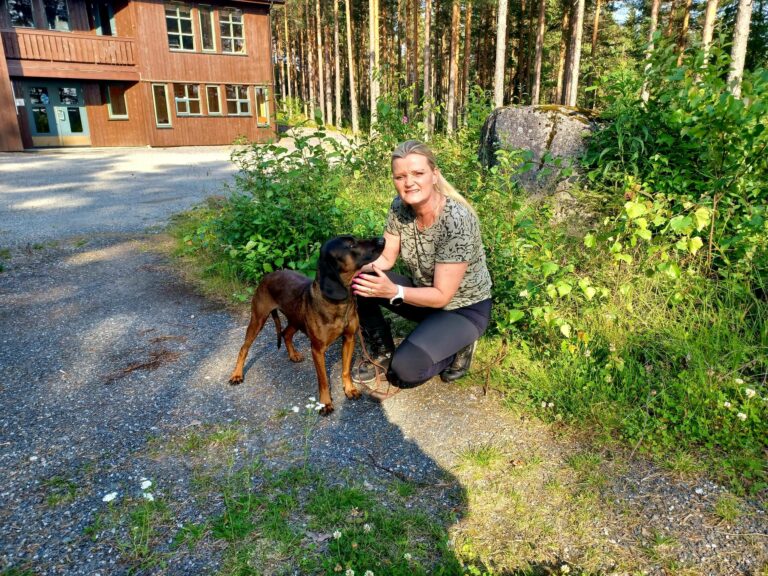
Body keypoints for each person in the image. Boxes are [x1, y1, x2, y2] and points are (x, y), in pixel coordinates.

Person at [351, 139, 493, 390]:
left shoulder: (456, 220)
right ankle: (381, 351)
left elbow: (442, 296)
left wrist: (394, 291)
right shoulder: (399, 207)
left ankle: (460, 345)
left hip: (463, 308)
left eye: (418, 173)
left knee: (404, 372)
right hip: (424, 295)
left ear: (434, 175)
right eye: (400, 176)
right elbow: (386, 259)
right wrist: (348, 270)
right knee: (361, 281)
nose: (409, 183)